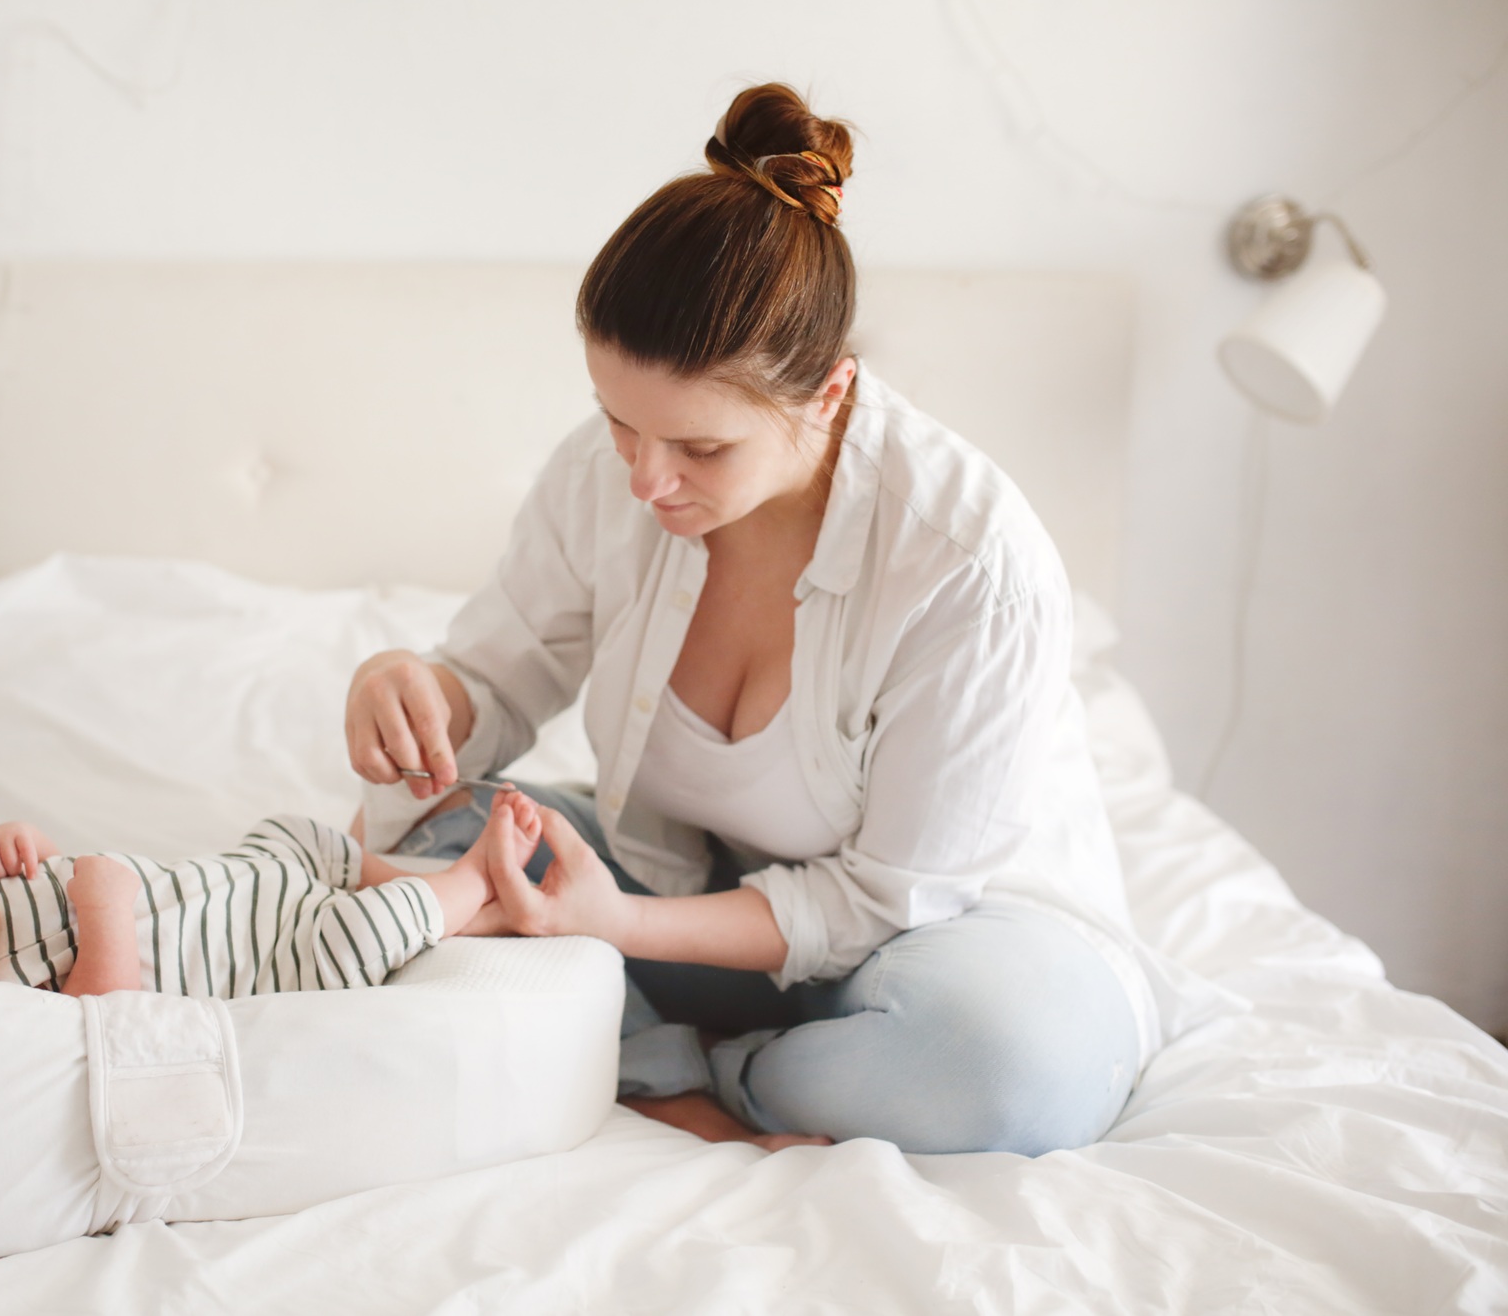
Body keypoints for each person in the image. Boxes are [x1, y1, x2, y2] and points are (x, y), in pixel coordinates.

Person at [346, 83, 1182, 1157]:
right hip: (694, 892)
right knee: (432, 851)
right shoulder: (612, 476)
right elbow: (502, 677)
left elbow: (888, 898)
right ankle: (747, 1067)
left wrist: (619, 931)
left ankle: (689, 1068)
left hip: (939, 941)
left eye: (699, 448)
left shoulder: (970, 564)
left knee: (1006, 1067)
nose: (646, 479)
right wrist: (413, 688)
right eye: (617, 424)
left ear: (829, 394)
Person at [0, 794, 541, 998]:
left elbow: (49, 879)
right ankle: (473, 882)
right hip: (272, 953)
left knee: (298, 832)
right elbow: (107, 1011)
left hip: (241, 880)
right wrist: (102, 909)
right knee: (359, 934)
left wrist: (25, 848)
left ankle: (449, 903)